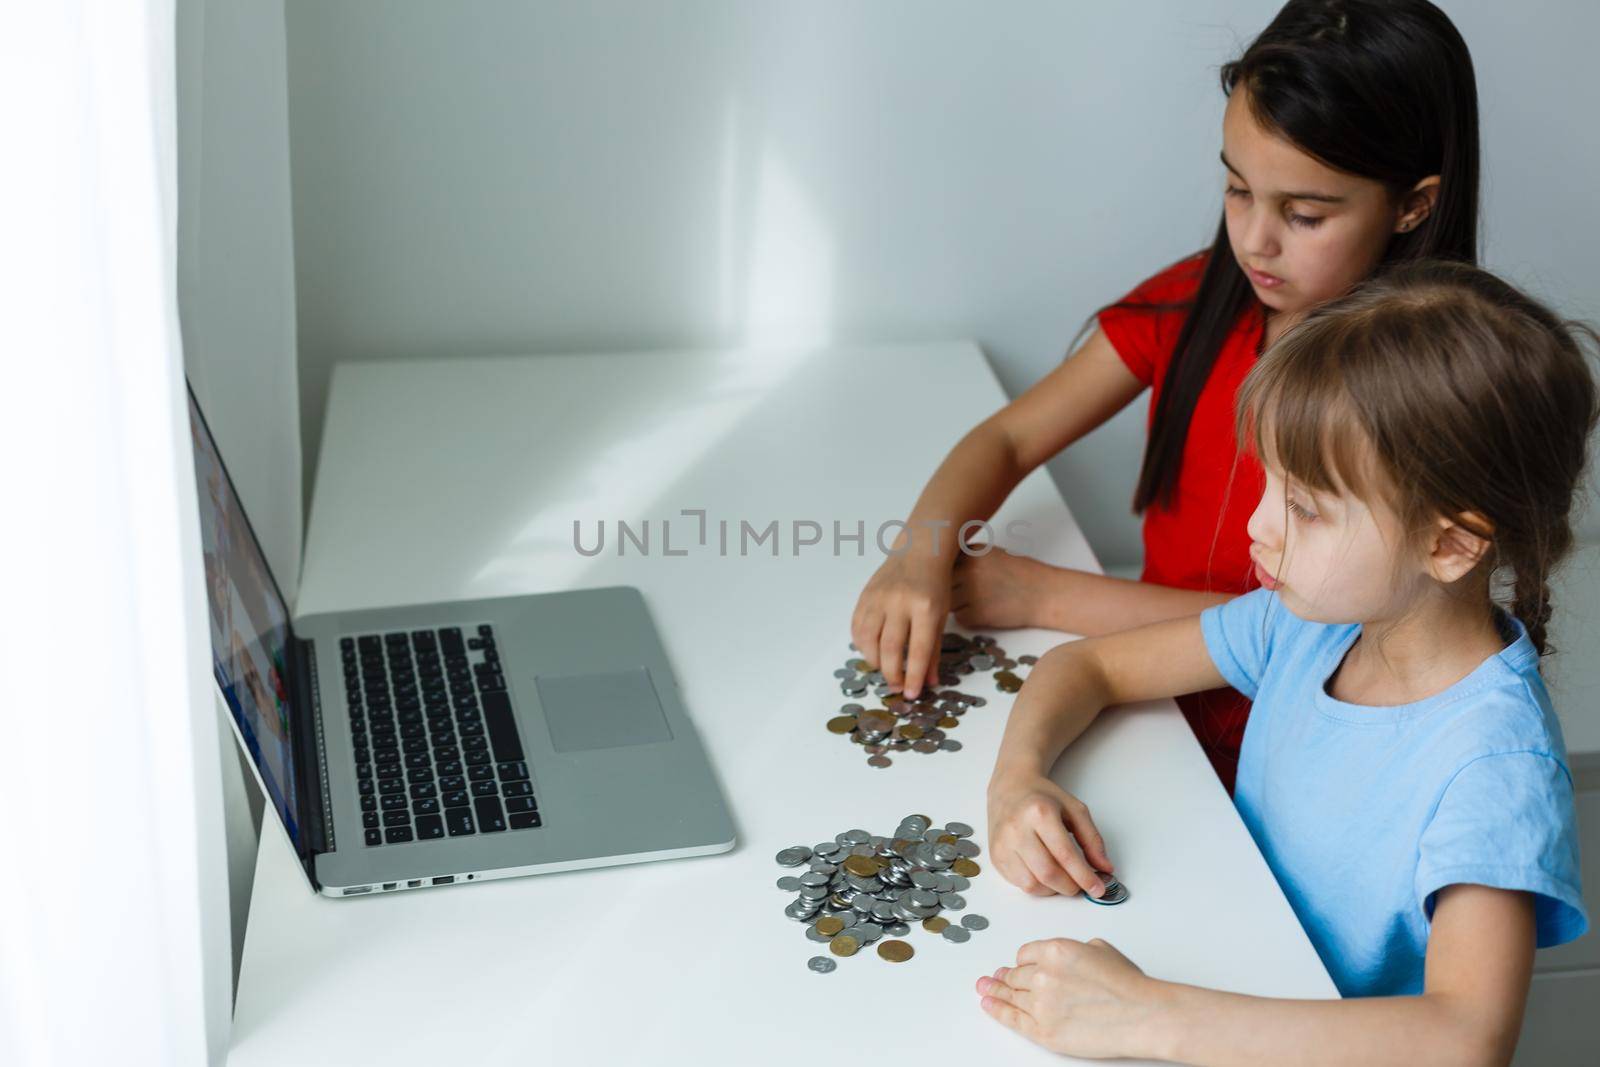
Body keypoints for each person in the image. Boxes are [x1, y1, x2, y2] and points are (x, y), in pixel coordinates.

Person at [849, 0, 1482, 791]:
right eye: (1237, 189)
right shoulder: (1198, 300)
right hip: (1154, 720)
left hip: (1292, 771)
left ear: (1414, 205)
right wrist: (918, 552)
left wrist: (1047, 593)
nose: (1254, 240)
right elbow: (1007, 440)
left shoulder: (1426, 402)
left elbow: (1297, 636)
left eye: (1305, 213)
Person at [977, 261, 1593, 1064]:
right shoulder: (1306, 623)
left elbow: (1465, 1038)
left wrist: (1145, 1018)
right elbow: (1085, 669)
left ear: (1448, 543)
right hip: (1223, 973)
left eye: (1303, 506)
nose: (1257, 528)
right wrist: (1017, 781)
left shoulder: (1493, 765)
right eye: (1269, 483)